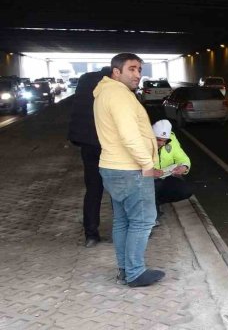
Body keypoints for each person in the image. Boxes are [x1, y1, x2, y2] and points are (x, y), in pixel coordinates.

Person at [93, 53, 164, 287]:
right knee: (143, 221)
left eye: (140, 69)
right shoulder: (119, 95)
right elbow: (129, 135)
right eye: (132, 69)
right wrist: (147, 164)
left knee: (123, 221)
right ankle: (135, 273)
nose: (137, 74)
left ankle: (125, 270)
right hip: (130, 168)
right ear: (116, 72)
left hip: (112, 167)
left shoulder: (106, 92)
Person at [68, 66, 112, 248]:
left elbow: (77, 116)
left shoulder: (84, 83)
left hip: (87, 145)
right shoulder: (112, 87)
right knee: (119, 188)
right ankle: (123, 232)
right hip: (108, 145)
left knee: (93, 189)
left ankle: (91, 235)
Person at [152, 119, 193, 226]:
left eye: (165, 141)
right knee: (154, 187)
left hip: (165, 176)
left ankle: (155, 202)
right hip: (145, 179)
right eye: (159, 140)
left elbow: (182, 157)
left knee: (185, 190)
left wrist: (183, 167)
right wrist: (150, 172)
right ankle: (152, 209)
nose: (162, 143)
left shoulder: (172, 139)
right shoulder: (142, 141)